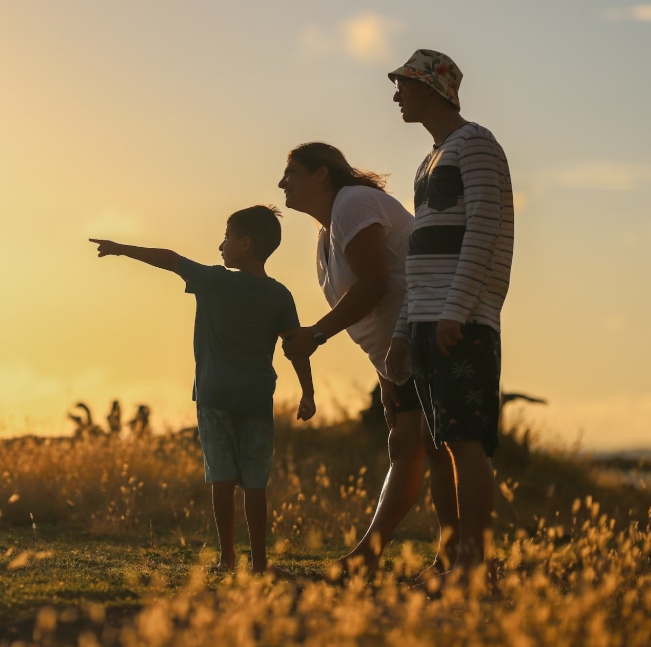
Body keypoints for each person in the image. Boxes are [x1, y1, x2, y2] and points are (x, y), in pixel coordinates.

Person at [90, 205, 315, 574]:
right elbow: (295, 347)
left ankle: (227, 559)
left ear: (245, 243)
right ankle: (259, 563)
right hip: (257, 398)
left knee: (222, 478)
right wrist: (308, 393)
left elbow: (169, 259)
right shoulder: (280, 295)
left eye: (226, 237)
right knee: (255, 483)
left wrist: (121, 248)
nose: (220, 245)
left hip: (214, 396)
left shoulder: (214, 280)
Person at [278, 142, 458, 577]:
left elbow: (376, 284)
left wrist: (316, 334)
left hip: (433, 332)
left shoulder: (353, 203)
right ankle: (382, 556)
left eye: (292, 173)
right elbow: (380, 300)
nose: (283, 183)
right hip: (401, 352)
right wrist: (386, 376)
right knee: (408, 447)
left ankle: (451, 558)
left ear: (322, 174)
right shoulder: (329, 232)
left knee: (437, 448)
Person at [385, 49, 514, 582]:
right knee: (438, 447)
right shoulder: (429, 159)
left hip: (460, 320)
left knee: (465, 442)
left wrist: (457, 310)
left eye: (405, 85)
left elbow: (485, 233)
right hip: (425, 322)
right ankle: (450, 558)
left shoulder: (477, 145)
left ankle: (473, 567)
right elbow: (422, 254)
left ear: (435, 90)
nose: (397, 95)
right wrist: (401, 331)